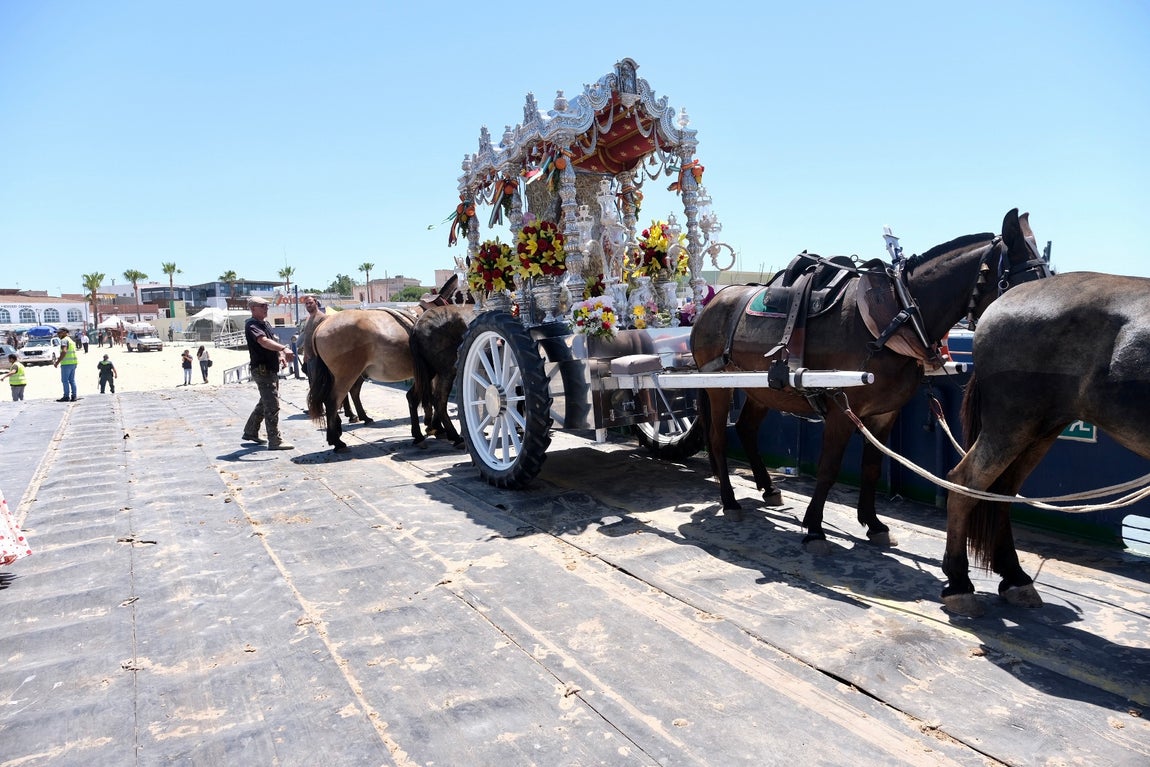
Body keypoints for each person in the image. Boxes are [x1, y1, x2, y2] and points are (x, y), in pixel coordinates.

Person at [242, 296, 295, 450]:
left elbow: (271, 340)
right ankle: (274, 440)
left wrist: (280, 356)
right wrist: (283, 348)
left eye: (267, 306)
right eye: (263, 306)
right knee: (272, 404)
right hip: (262, 370)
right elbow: (263, 341)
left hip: (270, 369)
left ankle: (250, 431)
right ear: (253, 308)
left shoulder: (264, 324)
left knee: (265, 402)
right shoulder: (252, 325)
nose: (266, 308)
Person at [297, 294, 326, 383]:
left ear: (316, 302)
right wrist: (305, 354)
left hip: (319, 358)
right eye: (306, 304)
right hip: (309, 358)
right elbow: (306, 337)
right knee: (312, 383)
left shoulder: (323, 318)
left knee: (320, 383)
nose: (308, 305)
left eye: (310, 303)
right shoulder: (308, 319)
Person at [53, 326, 78, 402]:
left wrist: (57, 362)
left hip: (66, 364)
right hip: (73, 363)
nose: (58, 335)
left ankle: (66, 396)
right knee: (72, 380)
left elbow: (64, 351)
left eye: (59, 333)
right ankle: (74, 396)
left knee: (65, 380)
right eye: (57, 333)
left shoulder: (64, 340)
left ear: (64, 332)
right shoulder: (70, 340)